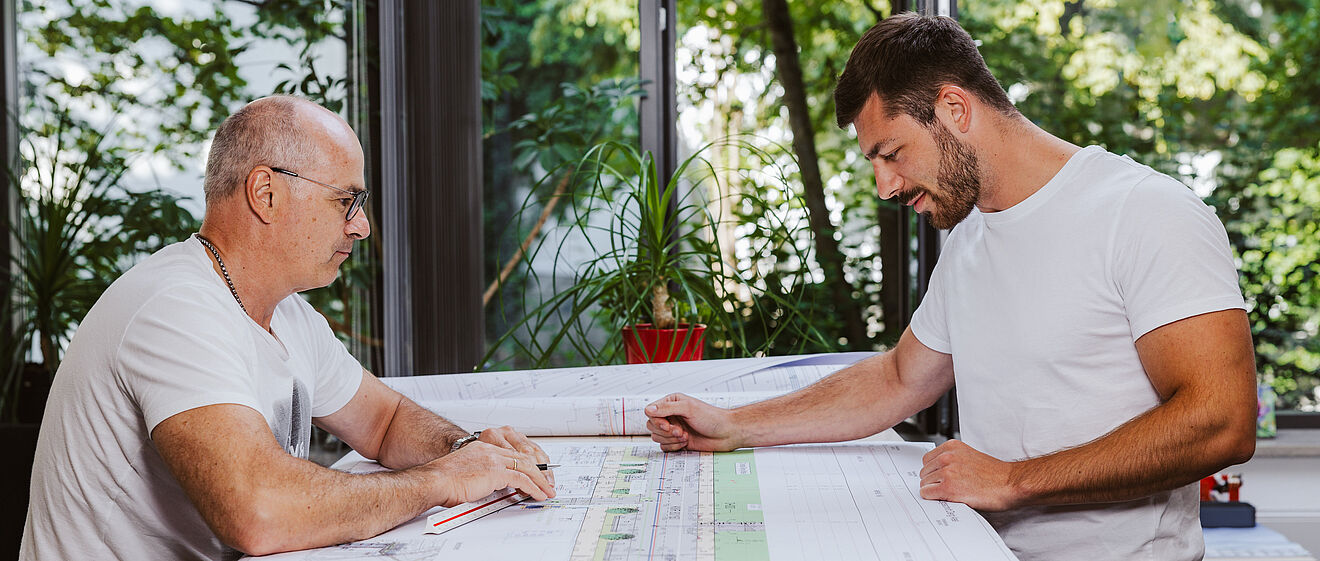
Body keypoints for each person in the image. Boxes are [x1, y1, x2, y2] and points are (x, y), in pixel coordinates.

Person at [644, 13, 1256, 561]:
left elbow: (1222, 421)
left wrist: (1012, 480)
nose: (885, 186)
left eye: (892, 153)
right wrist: (734, 425)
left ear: (955, 109)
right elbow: (898, 378)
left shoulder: (1145, 212)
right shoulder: (971, 238)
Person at [21, 96, 556, 560]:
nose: (362, 226)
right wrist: (441, 482)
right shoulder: (175, 308)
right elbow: (258, 511)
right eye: (346, 199)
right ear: (267, 193)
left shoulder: (288, 313)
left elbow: (384, 422)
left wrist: (465, 451)